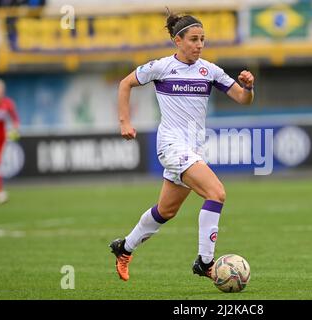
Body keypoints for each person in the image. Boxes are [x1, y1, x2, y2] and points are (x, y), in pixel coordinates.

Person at [109, 10, 255, 281]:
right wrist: (124, 122)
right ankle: (206, 262)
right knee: (216, 193)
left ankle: (124, 247)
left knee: (165, 211)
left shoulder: (210, 71)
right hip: (172, 146)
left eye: (203, 40)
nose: (199, 45)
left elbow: (242, 99)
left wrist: (248, 88)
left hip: (194, 149)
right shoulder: (161, 67)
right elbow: (125, 83)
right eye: (194, 39)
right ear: (178, 40)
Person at [0, 78, 20, 205]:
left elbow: (15, 119)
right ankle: (0, 192)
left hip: (1, 139)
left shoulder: (8, 104)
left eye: (0, 91)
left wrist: (14, 130)